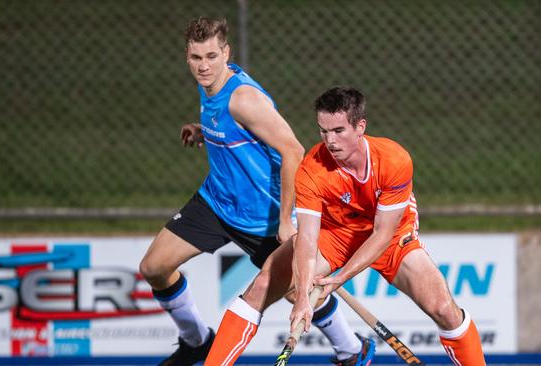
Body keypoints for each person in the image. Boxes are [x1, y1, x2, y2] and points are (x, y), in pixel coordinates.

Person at [140, 18, 375, 366]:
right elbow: (236, 131)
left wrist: (285, 221)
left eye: (211, 56)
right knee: (154, 267)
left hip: (262, 216)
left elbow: (293, 150)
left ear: (226, 53)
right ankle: (197, 341)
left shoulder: (243, 99)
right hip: (217, 203)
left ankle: (352, 350)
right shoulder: (210, 86)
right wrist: (203, 130)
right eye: (195, 57)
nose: (203, 66)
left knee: (299, 289)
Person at [205, 86, 485, 365]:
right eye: (323, 131)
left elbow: (382, 233)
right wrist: (303, 295)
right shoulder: (312, 168)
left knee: (444, 308)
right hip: (335, 231)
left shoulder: (393, 161)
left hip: (390, 233)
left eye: (338, 131)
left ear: (360, 126)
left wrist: (340, 277)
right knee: (263, 284)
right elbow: (308, 238)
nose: (330, 141)